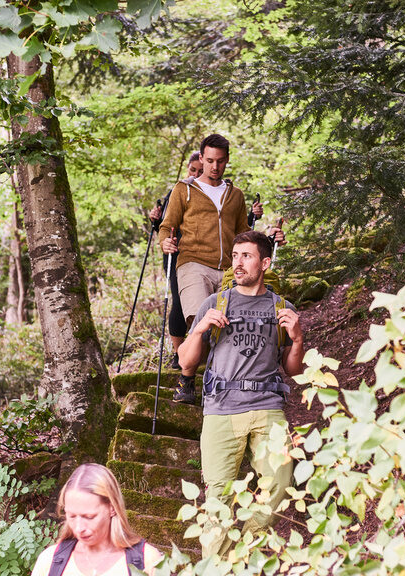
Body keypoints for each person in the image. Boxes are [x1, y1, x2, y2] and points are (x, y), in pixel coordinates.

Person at [177, 231, 304, 557]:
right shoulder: (214, 303)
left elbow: (294, 370)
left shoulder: (281, 307)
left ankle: (241, 552)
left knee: (280, 482)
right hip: (221, 409)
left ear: (265, 262)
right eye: (234, 256)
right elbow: (186, 361)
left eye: (246, 256)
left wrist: (298, 338)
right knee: (217, 495)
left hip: (268, 407)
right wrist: (202, 327)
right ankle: (215, 566)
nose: (237, 263)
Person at [159, 134, 274, 403]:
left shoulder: (235, 196)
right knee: (203, 320)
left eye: (220, 161)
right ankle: (186, 380)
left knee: (231, 325)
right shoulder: (183, 191)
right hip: (193, 263)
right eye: (209, 160)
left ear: (227, 161)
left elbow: (245, 235)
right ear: (201, 158)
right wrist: (165, 241)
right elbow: (167, 225)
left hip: (228, 269)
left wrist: (269, 239)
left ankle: (223, 379)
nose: (214, 166)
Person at [31, 463, 163, 576]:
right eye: (71, 516)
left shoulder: (147, 560)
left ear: (112, 508)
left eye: (89, 517)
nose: (79, 528)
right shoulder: (49, 562)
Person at [148, 152, 205, 369]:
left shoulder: (215, 193)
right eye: (193, 170)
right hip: (175, 255)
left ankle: (199, 350)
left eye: (200, 171)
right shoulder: (176, 191)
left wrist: (252, 217)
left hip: (203, 257)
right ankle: (178, 353)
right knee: (179, 302)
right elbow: (164, 225)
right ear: (187, 169)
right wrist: (155, 220)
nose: (196, 174)